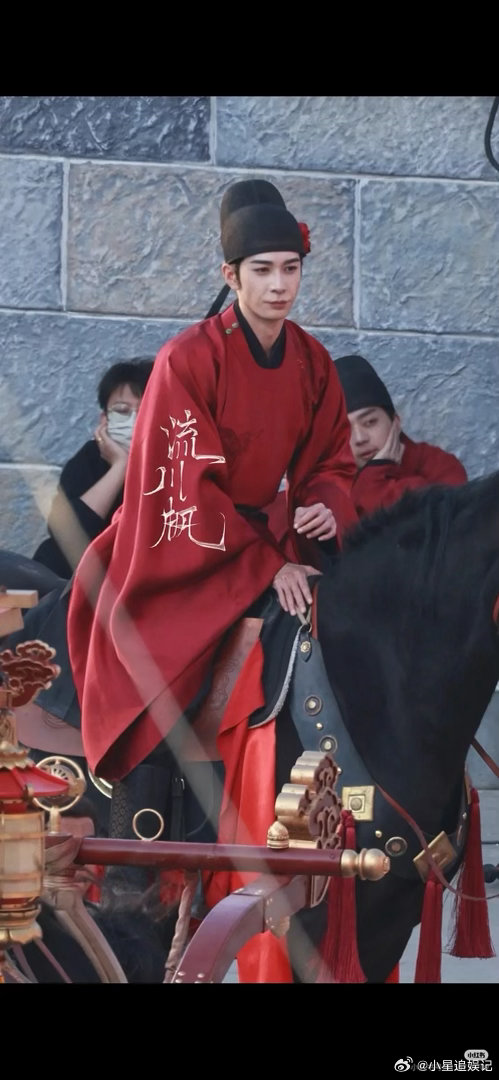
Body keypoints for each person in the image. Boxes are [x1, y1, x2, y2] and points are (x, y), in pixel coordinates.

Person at [66, 179, 359, 980]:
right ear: (230, 276)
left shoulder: (313, 362)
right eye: (261, 270)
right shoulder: (187, 360)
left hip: (266, 541)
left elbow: (332, 459)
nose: (278, 285)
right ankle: (139, 849)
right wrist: (271, 562)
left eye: (290, 269)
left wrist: (326, 505)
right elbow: (183, 494)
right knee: (156, 659)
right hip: (174, 545)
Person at [33, 358, 154, 578]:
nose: (135, 421)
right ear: (104, 420)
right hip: (90, 574)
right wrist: (120, 466)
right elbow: (66, 536)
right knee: (52, 558)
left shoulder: (178, 462)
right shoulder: (89, 459)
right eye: (122, 411)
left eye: (145, 410)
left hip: (144, 574)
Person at [334, 354, 467, 517]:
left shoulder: (438, 465)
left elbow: (441, 516)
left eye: (370, 422)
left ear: (395, 421)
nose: (360, 438)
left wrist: (373, 480)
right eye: (346, 429)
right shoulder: (331, 484)